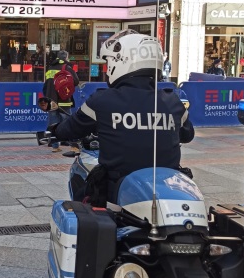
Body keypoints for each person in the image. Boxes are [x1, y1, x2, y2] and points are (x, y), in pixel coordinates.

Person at [48, 30, 194, 205]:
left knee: (82, 198)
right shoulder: (172, 101)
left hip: (118, 191)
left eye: (109, 62)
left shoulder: (102, 100)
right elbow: (188, 135)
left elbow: (69, 129)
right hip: (169, 190)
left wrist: (55, 130)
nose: (107, 68)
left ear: (122, 61)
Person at [43, 50, 79, 152]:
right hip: (64, 100)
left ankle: (55, 147)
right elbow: (76, 81)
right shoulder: (67, 68)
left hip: (51, 101)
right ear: (65, 58)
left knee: (53, 124)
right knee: (68, 124)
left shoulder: (50, 68)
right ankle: (74, 146)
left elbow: (46, 85)